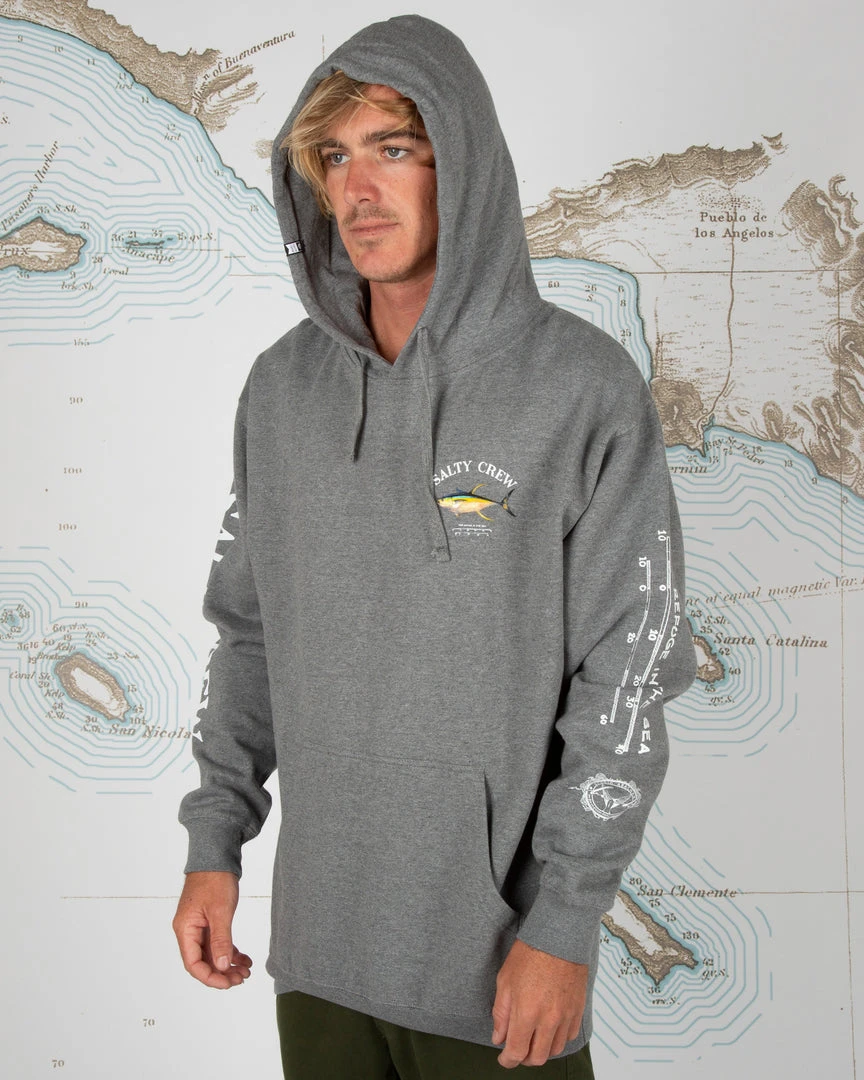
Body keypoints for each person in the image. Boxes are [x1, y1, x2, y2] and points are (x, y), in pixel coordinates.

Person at [173, 14, 696, 1077]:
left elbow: (629, 675)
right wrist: (214, 842)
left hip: (501, 968)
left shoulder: (580, 389)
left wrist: (566, 922)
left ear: (464, 162)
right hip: (318, 955)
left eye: (395, 148)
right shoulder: (281, 392)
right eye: (334, 157)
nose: (358, 190)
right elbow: (250, 637)